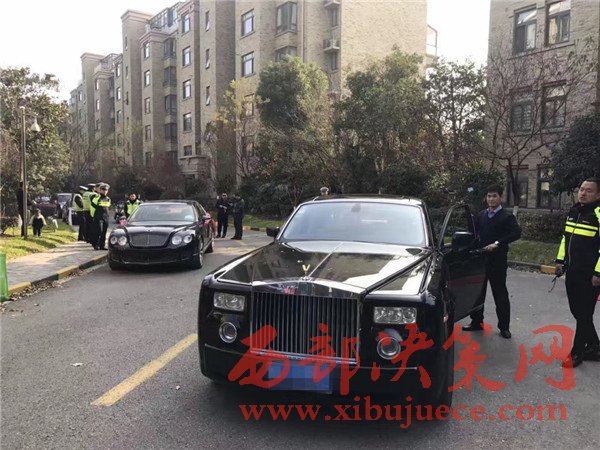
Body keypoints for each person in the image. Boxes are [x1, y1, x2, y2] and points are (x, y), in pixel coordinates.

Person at [463, 185, 521, 339]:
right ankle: (476, 322)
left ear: (500, 197)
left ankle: (504, 327)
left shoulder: (507, 216)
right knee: (478, 293)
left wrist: (498, 243)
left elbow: (516, 233)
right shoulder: (482, 215)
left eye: (494, 196)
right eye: (489, 196)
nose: (491, 199)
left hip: (497, 261)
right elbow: (474, 233)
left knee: (500, 294)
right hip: (480, 261)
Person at [555, 177, 600, 368]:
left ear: (598, 195)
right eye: (581, 189)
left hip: (590, 275)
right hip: (572, 271)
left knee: (584, 313)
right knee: (578, 311)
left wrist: (598, 273)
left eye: (589, 190)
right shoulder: (574, 211)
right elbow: (565, 239)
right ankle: (595, 347)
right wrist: (560, 261)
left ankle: (577, 352)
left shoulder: (598, 213)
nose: (583, 193)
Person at [89, 183, 111, 250]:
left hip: (105, 217)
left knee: (104, 232)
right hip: (98, 217)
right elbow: (92, 208)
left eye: (106, 190)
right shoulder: (96, 198)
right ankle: (96, 244)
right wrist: (93, 216)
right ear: (100, 190)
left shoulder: (108, 198)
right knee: (98, 231)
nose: (105, 191)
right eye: (103, 190)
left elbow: (107, 208)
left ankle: (102, 245)